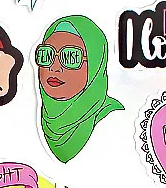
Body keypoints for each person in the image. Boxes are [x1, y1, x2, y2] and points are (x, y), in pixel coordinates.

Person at [37, 15, 122, 163]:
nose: (55, 67)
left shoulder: (113, 119)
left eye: (70, 57)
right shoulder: (30, 116)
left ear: (95, 65)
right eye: (47, 55)